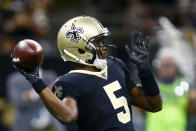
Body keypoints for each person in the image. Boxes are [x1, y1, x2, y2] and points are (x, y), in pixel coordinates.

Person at [12, 16, 162, 131]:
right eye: (97, 42)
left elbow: (154, 105)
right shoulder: (68, 82)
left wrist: (145, 70)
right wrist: (37, 82)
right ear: (80, 49)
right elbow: (68, 115)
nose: (103, 47)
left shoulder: (115, 65)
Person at [145, 47, 189, 131]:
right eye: (163, 65)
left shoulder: (184, 85)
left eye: (169, 65)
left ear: (176, 67)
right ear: (158, 66)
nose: (166, 68)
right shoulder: (150, 85)